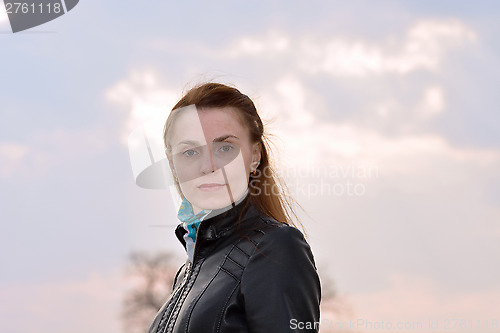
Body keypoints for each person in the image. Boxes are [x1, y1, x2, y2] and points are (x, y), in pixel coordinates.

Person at [148, 83, 321, 333]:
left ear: (254, 155)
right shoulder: (187, 271)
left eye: (225, 148)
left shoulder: (276, 248)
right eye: (189, 152)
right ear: (172, 165)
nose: (208, 166)